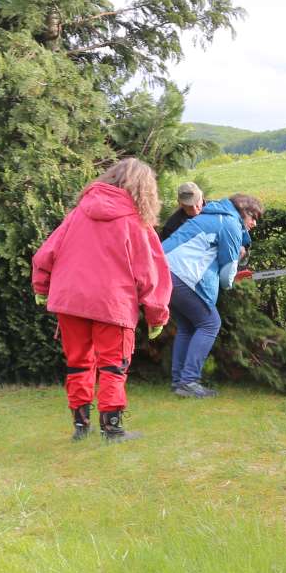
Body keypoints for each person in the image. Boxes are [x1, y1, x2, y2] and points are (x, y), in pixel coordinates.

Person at [31, 158, 171, 443]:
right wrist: (157, 315)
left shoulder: (78, 213)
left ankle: (81, 427)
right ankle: (113, 430)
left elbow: (46, 253)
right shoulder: (137, 222)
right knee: (112, 366)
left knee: (78, 363)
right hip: (111, 303)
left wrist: (41, 286)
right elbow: (151, 272)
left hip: (70, 301)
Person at [161, 192, 265, 398]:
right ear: (243, 212)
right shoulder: (230, 224)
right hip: (181, 275)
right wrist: (234, 268)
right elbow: (227, 278)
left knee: (187, 327)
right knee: (210, 324)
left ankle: (179, 382)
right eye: (253, 217)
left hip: (162, 272)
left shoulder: (210, 216)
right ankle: (189, 382)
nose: (254, 223)